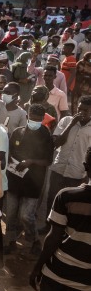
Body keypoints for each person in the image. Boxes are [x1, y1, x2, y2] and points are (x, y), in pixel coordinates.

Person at [24, 145, 91, 291]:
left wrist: (37, 268)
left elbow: (53, 238)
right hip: (85, 285)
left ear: (85, 166)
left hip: (56, 274)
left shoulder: (67, 196)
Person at [4, 104, 53, 256]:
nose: (35, 122)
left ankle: (34, 240)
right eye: (33, 119)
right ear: (27, 117)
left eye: (39, 120)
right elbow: (10, 152)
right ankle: (11, 241)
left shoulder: (46, 136)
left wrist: (31, 161)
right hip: (14, 179)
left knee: (26, 215)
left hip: (34, 182)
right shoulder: (17, 133)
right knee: (11, 213)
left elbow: (48, 161)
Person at [45, 96, 91, 229]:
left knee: (70, 204)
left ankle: (64, 230)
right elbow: (56, 143)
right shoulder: (66, 121)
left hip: (77, 173)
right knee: (52, 198)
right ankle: (48, 227)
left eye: (86, 110)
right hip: (59, 168)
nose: (81, 112)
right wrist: (72, 124)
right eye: (79, 109)